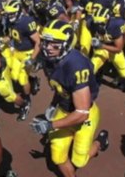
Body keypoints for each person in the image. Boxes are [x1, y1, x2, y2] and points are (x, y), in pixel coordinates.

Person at [30, 20, 109, 177]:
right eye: (46, 42)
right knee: (57, 156)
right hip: (63, 108)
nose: (48, 48)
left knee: (80, 160)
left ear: (66, 45)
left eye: (55, 44)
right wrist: (53, 104)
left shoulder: (75, 65)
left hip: (83, 115)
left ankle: (100, 142)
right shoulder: (50, 60)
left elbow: (81, 113)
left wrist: (50, 125)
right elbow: (60, 87)